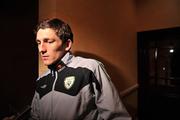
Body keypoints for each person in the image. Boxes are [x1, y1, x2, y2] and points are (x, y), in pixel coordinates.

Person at [30, 18, 131, 120]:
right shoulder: (41, 80)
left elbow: (118, 117)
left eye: (49, 41)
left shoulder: (90, 69)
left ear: (67, 44)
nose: (41, 49)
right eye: (39, 42)